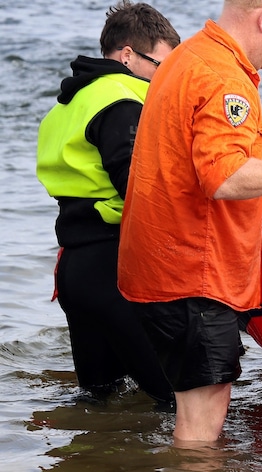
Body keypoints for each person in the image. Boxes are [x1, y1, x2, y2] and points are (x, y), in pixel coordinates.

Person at [117, 0, 262, 443]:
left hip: (160, 269)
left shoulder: (189, 56)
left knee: (199, 401)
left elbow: (221, 144)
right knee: (203, 413)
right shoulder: (224, 76)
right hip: (193, 276)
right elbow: (224, 175)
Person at [36, 1, 180, 407]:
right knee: (181, 400)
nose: (162, 79)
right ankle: (195, 470)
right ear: (128, 55)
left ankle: (94, 463)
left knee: (100, 402)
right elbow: (138, 187)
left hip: (75, 272)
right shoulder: (121, 98)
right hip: (115, 269)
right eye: (160, 66)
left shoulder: (65, 105)